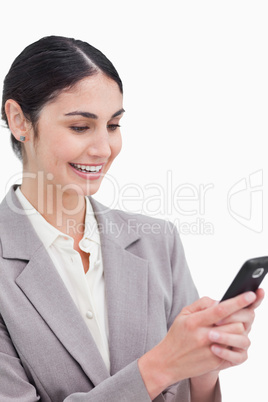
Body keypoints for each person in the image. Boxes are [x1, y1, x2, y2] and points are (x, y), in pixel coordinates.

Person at [0, 35, 264, 402]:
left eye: (113, 125)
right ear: (19, 121)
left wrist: (204, 368)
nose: (104, 149)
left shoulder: (158, 243)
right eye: (80, 127)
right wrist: (162, 366)